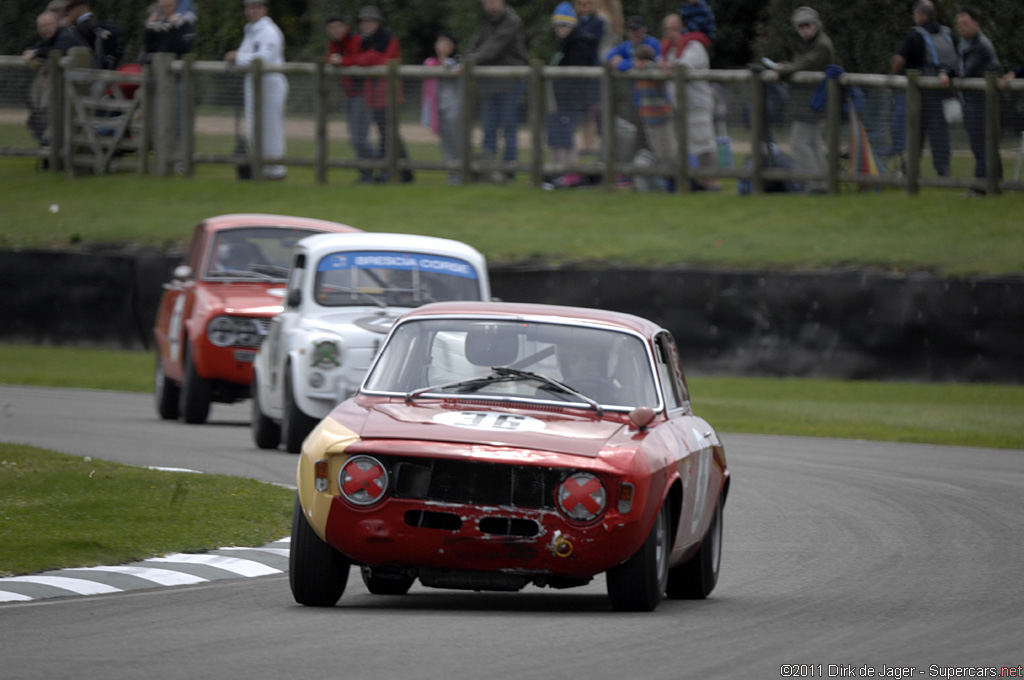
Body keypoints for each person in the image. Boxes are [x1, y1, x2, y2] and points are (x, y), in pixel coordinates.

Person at [768, 6, 834, 194]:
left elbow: (805, 64)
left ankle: (815, 185)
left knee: (798, 143)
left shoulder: (821, 44)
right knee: (812, 144)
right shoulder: (812, 43)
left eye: (807, 25)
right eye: (801, 26)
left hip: (812, 102)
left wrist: (781, 71)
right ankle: (821, 184)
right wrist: (786, 67)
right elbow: (800, 64)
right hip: (810, 101)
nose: (804, 30)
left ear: (816, 25)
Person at [465, 0, 528, 182]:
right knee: (489, 129)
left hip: (510, 84)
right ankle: (488, 170)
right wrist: (468, 58)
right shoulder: (486, 23)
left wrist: (469, 62)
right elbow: (474, 45)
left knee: (509, 130)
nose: (491, 5)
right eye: (487, 2)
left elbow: (493, 48)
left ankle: (509, 172)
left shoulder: (512, 21)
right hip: (489, 85)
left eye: (494, 1)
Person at [225, 0, 288, 180]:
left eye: (256, 7)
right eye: (249, 7)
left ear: (264, 9)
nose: (252, 11)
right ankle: (262, 168)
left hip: (270, 84)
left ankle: (276, 171)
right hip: (253, 83)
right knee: (254, 128)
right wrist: (238, 58)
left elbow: (264, 58)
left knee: (271, 128)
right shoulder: (251, 31)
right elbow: (246, 56)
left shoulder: (269, 31)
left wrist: (238, 57)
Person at [349, 6, 412, 183]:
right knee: (387, 134)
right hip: (374, 95)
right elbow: (361, 58)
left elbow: (373, 59)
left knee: (389, 134)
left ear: (378, 23)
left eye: (370, 21)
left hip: (387, 94)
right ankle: (403, 173)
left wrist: (359, 61)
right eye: (364, 22)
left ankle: (397, 172)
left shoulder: (387, 40)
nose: (366, 25)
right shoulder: (364, 41)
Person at [891, 0, 954, 177]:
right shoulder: (947, 33)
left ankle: (909, 171)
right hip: (941, 92)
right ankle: (944, 171)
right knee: (939, 133)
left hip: (918, 94)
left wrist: (893, 77)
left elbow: (899, 60)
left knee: (913, 132)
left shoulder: (914, 35)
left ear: (919, 15)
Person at [660, 13, 719, 190]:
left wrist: (665, 66)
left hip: (697, 104)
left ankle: (710, 181)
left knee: (704, 143)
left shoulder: (694, 46)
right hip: (679, 106)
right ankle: (690, 180)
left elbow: (684, 66)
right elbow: (661, 63)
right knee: (685, 144)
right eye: (668, 29)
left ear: (683, 28)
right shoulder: (668, 49)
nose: (671, 33)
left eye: (675, 29)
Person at [547, 2, 597, 188]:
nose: (560, 29)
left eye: (563, 25)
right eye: (557, 26)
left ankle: (570, 173)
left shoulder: (580, 42)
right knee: (557, 135)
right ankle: (557, 171)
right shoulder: (564, 43)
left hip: (572, 98)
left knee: (567, 136)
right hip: (560, 97)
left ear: (571, 25)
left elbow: (575, 72)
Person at [955, 7, 1000, 196]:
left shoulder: (980, 45)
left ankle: (980, 188)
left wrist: (948, 74)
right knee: (985, 146)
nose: (961, 28)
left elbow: (966, 73)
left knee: (981, 146)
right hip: (973, 103)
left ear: (976, 23)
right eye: (959, 24)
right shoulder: (966, 44)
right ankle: (997, 185)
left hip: (981, 104)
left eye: (965, 24)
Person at [22, 11, 85, 145]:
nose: (45, 29)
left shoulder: (65, 35)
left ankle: (56, 146)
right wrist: (31, 51)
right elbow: (39, 47)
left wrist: (35, 53)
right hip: (67, 87)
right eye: (41, 27)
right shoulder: (49, 38)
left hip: (83, 85)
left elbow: (56, 51)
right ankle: (46, 140)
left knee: (63, 116)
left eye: (48, 25)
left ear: (56, 24)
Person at [326, 15, 374, 183]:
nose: (335, 31)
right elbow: (329, 57)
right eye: (331, 28)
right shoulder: (335, 45)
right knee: (355, 138)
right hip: (349, 95)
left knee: (359, 138)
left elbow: (362, 60)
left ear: (345, 27)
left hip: (363, 93)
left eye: (338, 27)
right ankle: (367, 174)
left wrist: (342, 61)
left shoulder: (357, 40)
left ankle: (383, 165)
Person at [632, 43, 676, 191]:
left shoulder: (651, 69)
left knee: (667, 152)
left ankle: (671, 182)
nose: (634, 63)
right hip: (649, 119)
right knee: (657, 152)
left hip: (662, 118)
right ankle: (662, 182)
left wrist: (648, 64)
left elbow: (655, 70)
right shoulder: (639, 73)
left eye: (636, 60)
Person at [422, 31, 462, 185]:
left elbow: (453, 69)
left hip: (454, 111)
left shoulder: (456, 63)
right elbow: (427, 66)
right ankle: (452, 175)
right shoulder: (431, 63)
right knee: (446, 143)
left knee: (457, 142)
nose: (442, 46)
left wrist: (447, 63)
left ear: (452, 47)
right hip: (438, 111)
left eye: (446, 43)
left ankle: (461, 173)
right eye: (439, 42)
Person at [574, 0, 612, 156]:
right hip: (580, 69)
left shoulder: (598, 22)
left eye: (587, 3)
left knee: (594, 109)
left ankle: (594, 145)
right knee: (583, 110)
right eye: (581, 4)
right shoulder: (577, 22)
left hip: (593, 68)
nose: (584, 6)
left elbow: (589, 41)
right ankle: (585, 144)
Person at [65, 0, 124, 70]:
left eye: (70, 10)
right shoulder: (102, 26)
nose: (68, 14)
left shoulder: (80, 29)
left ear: (78, 8)